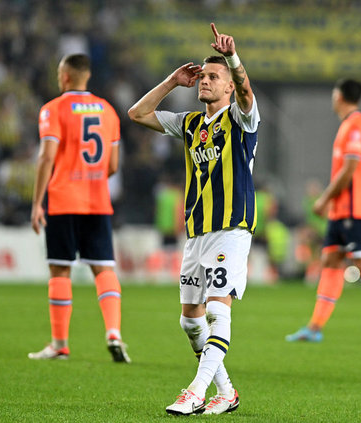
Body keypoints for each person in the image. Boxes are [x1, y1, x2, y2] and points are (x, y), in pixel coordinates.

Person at [129, 23, 259, 415]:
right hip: (197, 233)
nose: (205, 81)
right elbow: (137, 113)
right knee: (190, 322)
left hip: (231, 230)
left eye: (214, 77)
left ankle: (195, 391)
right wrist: (172, 81)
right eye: (203, 76)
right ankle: (226, 392)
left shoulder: (241, 119)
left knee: (218, 310)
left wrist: (233, 59)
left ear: (229, 87)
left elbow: (247, 92)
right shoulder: (189, 124)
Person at [286, 79, 361, 347]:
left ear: (339, 96)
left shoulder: (357, 125)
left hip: (355, 208)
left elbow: (350, 169)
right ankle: (314, 328)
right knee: (331, 261)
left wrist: (324, 199)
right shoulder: (347, 125)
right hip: (341, 210)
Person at [28, 54, 130, 363]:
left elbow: (46, 157)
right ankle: (114, 333)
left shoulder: (53, 109)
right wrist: (91, 179)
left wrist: (37, 202)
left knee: (60, 269)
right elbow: (113, 165)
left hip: (62, 199)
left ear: (66, 76)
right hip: (97, 201)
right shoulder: (108, 111)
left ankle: (60, 344)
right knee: (103, 268)